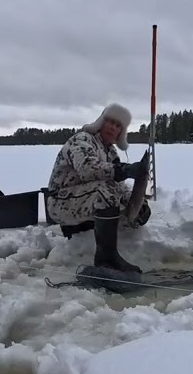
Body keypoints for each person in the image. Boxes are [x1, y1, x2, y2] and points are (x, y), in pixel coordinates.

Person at [45, 103, 151, 274]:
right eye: (110, 122)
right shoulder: (82, 140)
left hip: (85, 201)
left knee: (116, 198)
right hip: (61, 202)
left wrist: (138, 204)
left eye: (118, 126)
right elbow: (87, 169)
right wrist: (122, 170)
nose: (112, 128)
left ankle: (104, 243)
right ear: (101, 121)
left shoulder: (110, 151)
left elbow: (119, 186)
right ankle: (106, 258)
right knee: (105, 191)